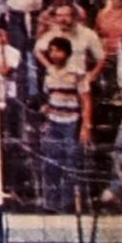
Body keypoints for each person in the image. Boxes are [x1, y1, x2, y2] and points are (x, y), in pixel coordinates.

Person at [40, 37, 92, 214]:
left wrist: (85, 125)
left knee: (70, 163)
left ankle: (67, 204)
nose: (54, 54)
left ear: (67, 53)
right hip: (53, 122)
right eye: (52, 50)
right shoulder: (48, 72)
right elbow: (49, 96)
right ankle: (51, 204)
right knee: (51, 163)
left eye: (58, 51)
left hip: (71, 122)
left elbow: (86, 100)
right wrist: (46, 112)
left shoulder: (77, 72)